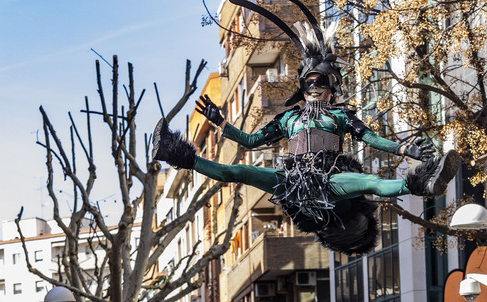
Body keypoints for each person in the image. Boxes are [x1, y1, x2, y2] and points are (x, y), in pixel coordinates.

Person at [153, 2, 459, 256]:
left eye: (321, 82)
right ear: (302, 86)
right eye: (309, 82)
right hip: (292, 182)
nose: (314, 88)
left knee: (371, 182)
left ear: (331, 87)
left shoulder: (341, 116)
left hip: (330, 180)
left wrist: (406, 149)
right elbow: (250, 141)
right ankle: (174, 153)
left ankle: (423, 183)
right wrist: (221, 123)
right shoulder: (287, 120)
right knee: (238, 172)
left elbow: (370, 138)